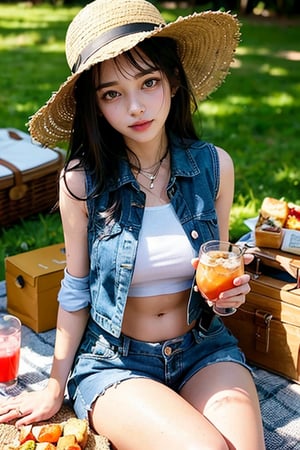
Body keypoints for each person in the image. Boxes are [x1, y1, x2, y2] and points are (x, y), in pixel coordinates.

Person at [0, 1, 266, 449]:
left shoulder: (213, 167)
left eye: (149, 82)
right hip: (115, 362)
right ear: (95, 104)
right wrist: (53, 385)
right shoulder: (82, 182)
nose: (136, 106)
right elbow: (75, 287)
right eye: (112, 93)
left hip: (203, 348)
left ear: (173, 82)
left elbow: (217, 272)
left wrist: (226, 300)